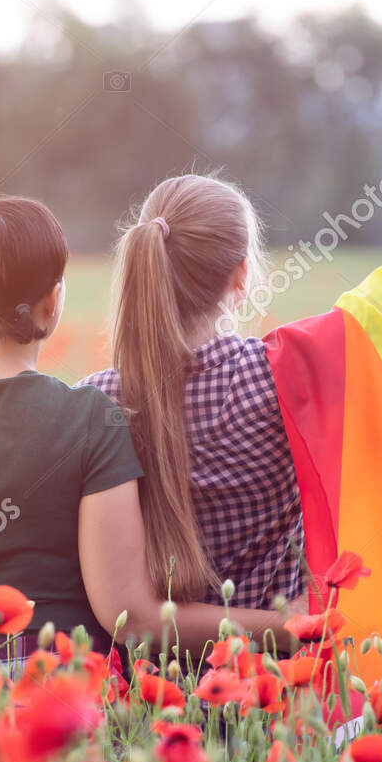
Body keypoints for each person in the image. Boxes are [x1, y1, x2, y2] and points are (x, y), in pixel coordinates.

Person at [0, 195, 289, 692]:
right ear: (52, 302)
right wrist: (297, 628)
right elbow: (128, 615)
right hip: (52, 699)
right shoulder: (91, 418)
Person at [81, 175, 306, 612]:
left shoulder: (95, 402)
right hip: (284, 673)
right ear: (242, 274)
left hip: (146, 679)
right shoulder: (282, 377)